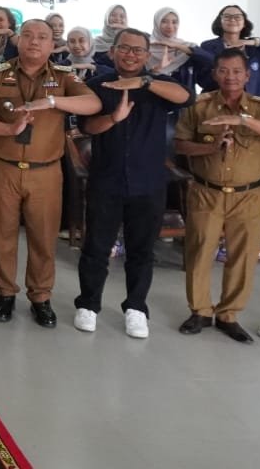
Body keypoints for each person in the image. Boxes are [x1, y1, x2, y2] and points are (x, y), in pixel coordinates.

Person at [0, 19, 101, 327]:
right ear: (18, 40)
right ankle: (5, 292)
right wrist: (8, 129)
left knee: (43, 237)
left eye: (42, 37)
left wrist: (52, 101)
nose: (34, 41)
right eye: (27, 35)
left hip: (45, 172)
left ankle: (40, 297)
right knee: (1, 234)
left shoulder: (63, 76)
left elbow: (93, 104)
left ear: (52, 44)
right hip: (3, 168)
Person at [72, 27, 191, 338]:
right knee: (96, 246)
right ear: (113, 51)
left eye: (138, 50)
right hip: (106, 180)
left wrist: (145, 82)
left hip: (148, 183)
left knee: (141, 250)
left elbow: (186, 97)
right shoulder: (98, 86)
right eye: (125, 48)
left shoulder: (159, 86)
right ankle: (88, 304)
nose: (130, 55)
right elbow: (87, 127)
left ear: (147, 54)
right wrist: (114, 118)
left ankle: (136, 307)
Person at [175, 48, 260, 342]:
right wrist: (210, 148)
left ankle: (228, 315)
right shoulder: (199, 106)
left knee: (243, 256)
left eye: (237, 71)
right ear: (214, 74)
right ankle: (200, 311)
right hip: (206, 192)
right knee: (199, 252)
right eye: (224, 71)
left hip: (249, 195)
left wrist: (244, 121)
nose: (231, 77)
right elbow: (180, 144)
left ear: (247, 75)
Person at [195, 5, 260, 96]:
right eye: (227, 17)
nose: (232, 20)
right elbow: (202, 79)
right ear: (220, 22)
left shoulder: (255, 47)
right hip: (220, 101)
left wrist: (253, 42)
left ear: (244, 23)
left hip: (256, 103)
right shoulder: (208, 46)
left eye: (237, 17)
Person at [148, 7, 211, 89]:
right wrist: (157, 69)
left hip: (184, 95)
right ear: (157, 23)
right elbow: (138, 77)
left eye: (174, 22)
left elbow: (212, 62)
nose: (170, 26)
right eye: (164, 21)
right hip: (152, 94)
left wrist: (177, 46)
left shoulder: (187, 47)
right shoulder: (145, 47)